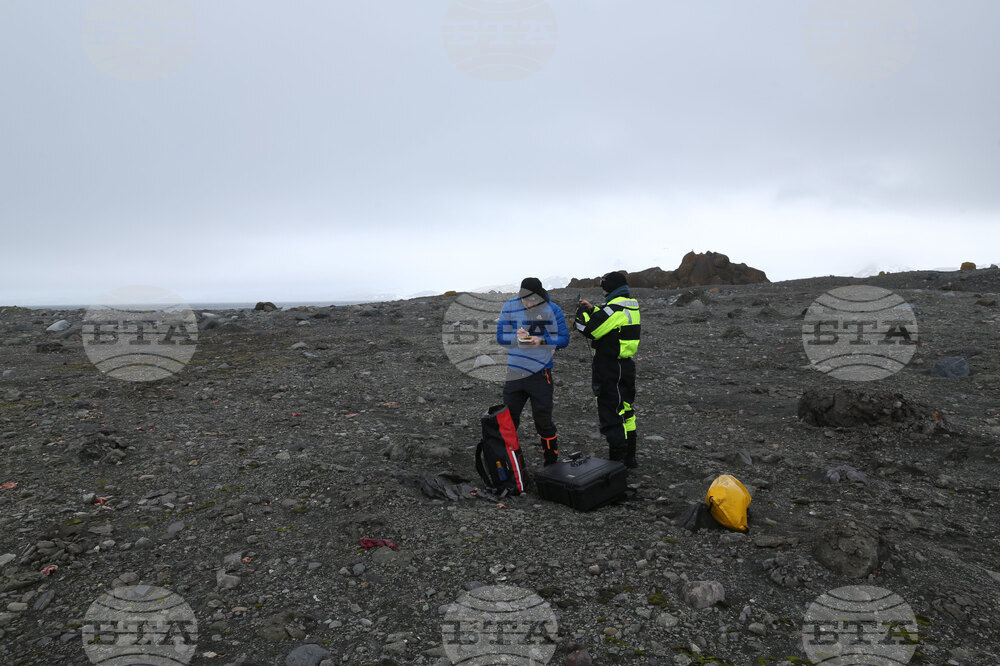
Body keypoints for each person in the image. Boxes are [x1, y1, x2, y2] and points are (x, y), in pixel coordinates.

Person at [495, 278, 570, 466]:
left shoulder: (553, 309)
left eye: (531, 300)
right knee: (508, 420)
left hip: (540, 374)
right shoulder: (510, 306)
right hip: (515, 373)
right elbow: (501, 337)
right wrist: (516, 336)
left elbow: (563, 339)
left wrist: (542, 340)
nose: (527, 304)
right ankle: (510, 464)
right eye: (524, 300)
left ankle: (551, 463)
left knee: (543, 421)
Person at [574, 271, 641, 468]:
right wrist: (594, 309)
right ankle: (630, 457)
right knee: (625, 409)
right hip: (625, 365)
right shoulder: (630, 305)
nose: (603, 292)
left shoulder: (614, 308)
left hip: (610, 367)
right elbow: (610, 321)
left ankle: (617, 461)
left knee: (611, 411)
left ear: (610, 288)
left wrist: (581, 314)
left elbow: (591, 330)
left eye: (604, 288)